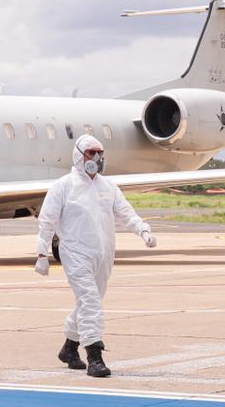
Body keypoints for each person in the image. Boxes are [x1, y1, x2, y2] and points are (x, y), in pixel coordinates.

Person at [35, 134, 155, 378]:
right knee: (90, 301)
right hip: (75, 253)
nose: (97, 158)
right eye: (92, 152)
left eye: (100, 153)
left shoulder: (107, 186)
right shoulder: (63, 186)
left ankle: (69, 348)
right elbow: (47, 221)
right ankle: (95, 355)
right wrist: (42, 253)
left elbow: (126, 213)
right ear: (79, 155)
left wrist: (143, 230)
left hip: (103, 255)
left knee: (89, 302)